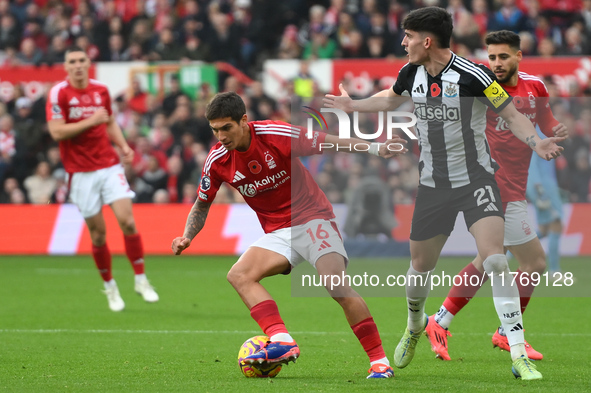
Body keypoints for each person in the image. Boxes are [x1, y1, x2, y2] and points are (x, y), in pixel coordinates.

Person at [324, 7, 564, 380]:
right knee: (420, 267)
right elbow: (390, 99)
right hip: (434, 186)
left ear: (427, 40)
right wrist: (352, 105)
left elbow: (514, 115)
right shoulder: (411, 73)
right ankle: (415, 325)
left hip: (477, 181)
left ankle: (518, 353)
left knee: (496, 260)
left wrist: (537, 142)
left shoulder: (475, 75)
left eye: (407, 36)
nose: (403, 43)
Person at [171, 91, 408, 379]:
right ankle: (281, 339)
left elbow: (328, 143)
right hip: (279, 232)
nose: (220, 136)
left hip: (313, 218)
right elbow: (202, 203)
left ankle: (379, 362)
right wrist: (187, 235)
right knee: (239, 275)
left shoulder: (275, 134)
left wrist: (374, 149)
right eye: (215, 130)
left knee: (335, 285)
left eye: (226, 128)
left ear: (243, 121)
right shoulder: (218, 159)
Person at [423, 30, 568, 362]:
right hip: (492, 186)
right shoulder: (480, 87)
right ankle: (508, 333)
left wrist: (555, 128)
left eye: (503, 57)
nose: (497, 64)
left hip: (516, 184)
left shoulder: (536, 87)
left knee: (488, 260)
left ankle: (439, 321)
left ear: (519, 56)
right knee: (534, 262)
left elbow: (544, 120)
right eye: (492, 57)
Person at [46, 46, 159, 312]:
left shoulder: (101, 90)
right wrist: (90, 120)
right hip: (79, 172)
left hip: (109, 166)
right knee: (98, 235)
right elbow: (56, 132)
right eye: (72, 61)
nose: (77, 65)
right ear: (66, 66)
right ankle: (109, 286)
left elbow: (108, 123)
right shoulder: (59, 93)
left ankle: (141, 279)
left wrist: (123, 146)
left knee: (127, 221)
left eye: (81, 60)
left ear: (88, 63)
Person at [527, 138, 564, 277]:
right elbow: (532, 161)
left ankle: (510, 250)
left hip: (545, 185)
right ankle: (554, 270)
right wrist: (538, 187)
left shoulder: (541, 131)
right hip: (544, 187)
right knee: (556, 223)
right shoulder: (539, 133)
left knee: (544, 229)